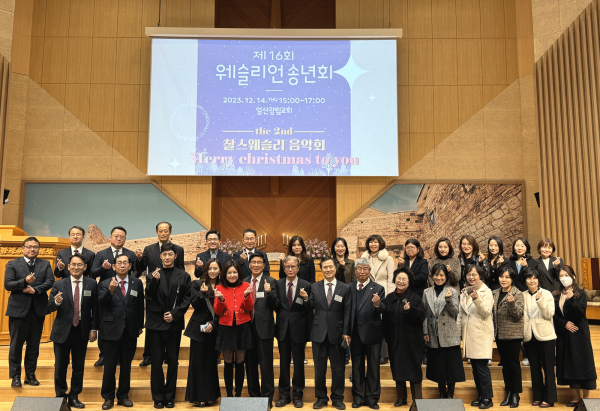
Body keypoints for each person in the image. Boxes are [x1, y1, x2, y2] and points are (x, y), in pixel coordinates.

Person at [48, 254, 99, 409]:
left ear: (85, 267)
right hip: (62, 331)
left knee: (78, 366)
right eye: (73, 265)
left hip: (82, 330)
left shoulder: (91, 284)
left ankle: (74, 396)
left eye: (80, 265)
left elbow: (95, 308)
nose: (76, 267)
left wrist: (94, 328)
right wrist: (56, 302)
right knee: (60, 366)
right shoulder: (59, 284)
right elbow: (49, 306)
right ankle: (61, 397)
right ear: (68, 267)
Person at [145, 243, 192, 409]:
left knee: (173, 360)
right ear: (160, 257)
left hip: (174, 322)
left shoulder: (184, 275)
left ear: (175, 256)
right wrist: (154, 283)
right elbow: (148, 296)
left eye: (170, 255)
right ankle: (157, 397)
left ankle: (170, 396)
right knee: (156, 361)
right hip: (155, 323)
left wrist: (175, 313)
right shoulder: (152, 274)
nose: (166, 258)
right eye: (164, 255)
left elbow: (187, 299)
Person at [5, 236, 54, 388]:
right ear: (23, 248)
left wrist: (36, 289)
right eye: (29, 246)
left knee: (34, 345)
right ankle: (16, 376)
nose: (32, 249)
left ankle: (30, 375)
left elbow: (50, 281)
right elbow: (8, 284)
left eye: (35, 247)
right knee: (16, 345)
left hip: (37, 310)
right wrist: (25, 282)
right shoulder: (13, 263)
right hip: (18, 311)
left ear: (39, 249)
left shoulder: (45, 264)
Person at [98, 254, 145, 410]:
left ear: (130, 266)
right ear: (114, 266)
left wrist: (139, 325)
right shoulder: (105, 283)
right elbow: (101, 304)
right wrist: (110, 291)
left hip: (130, 331)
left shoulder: (137, 283)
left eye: (126, 263)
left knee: (126, 366)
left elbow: (139, 306)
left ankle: (123, 396)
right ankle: (108, 397)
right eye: (119, 263)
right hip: (110, 330)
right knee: (110, 366)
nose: (123, 265)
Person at [135, 221, 185, 367]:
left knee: (171, 326)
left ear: (170, 232)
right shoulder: (148, 249)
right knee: (152, 327)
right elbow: (140, 269)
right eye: (160, 231)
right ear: (157, 232)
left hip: (172, 294)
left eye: (166, 231)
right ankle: (148, 355)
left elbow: (181, 270)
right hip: (154, 293)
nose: (163, 233)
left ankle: (170, 356)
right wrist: (138, 259)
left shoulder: (178, 249)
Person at [309, 257, 352, 410]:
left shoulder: (345, 288)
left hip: (338, 333)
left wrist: (347, 332)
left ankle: (337, 398)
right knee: (319, 369)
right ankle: (321, 397)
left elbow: (347, 312)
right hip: (318, 333)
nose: (328, 270)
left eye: (330, 267)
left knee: (338, 368)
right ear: (321, 269)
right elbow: (310, 307)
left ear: (335, 268)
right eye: (324, 267)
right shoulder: (314, 287)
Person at [91, 226, 138, 366]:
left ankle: (121, 356)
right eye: (116, 236)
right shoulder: (101, 254)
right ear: (110, 237)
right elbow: (93, 273)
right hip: (107, 292)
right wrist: (103, 269)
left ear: (125, 239)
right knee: (104, 322)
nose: (118, 238)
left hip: (125, 292)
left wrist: (128, 280)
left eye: (122, 236)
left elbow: (136, 271)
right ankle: (103, 354)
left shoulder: (131, 254)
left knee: (123, 322)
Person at [553, 265, 597, 406]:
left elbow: (580, 314)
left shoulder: (581, 293)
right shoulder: (556, 294)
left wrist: (571, 300)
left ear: (573, 277)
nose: (564, 278)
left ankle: (587, 399)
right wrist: (563, 324)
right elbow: (554, 316)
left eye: (566, 275)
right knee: (570, 365)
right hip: (564, 334)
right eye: (561, 276)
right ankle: (576, 397)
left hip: (579, 334)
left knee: (582, 364)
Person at [383, 266, 425, 407]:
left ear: (409, 282)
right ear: (395, 280)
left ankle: (417, 400)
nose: (401, 281)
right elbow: (385, 320)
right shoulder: (389, 298)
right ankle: (401, 398)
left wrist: (411, 310)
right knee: (397, 369)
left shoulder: (415, 298)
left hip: (412, 342)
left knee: (414, 370)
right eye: (399, 279)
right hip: (394, 340)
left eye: (404, 279)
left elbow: (422, 316)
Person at [422, 264, 465, 399]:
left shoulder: (452, 291)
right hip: (433, 334)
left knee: (451, 366)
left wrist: (448, 299)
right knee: (438, 366)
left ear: (446, 277)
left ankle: (450, 392)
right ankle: (441, 391)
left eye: (441, 275)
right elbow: (424, 314)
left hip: (449, 334)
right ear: (432, 276)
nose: (438, 278)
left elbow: (455, 312)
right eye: (436, 275)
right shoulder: (426, 292)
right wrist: (425, 332)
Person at [274, 255, 312, 408]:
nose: (290, 269)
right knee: (283, 364)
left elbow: (310, 310)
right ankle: (283, 395)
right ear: (284, 269)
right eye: (287, 267)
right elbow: (276, 306)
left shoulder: (306, 285)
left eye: (293, 266)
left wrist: (306, 298)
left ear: (298, 268)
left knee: (298, 364)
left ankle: (297, 395)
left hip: (299, 330)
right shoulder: (278, 284)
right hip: (282, 329)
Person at [349, 258, 385, 409]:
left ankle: (372, 398)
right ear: (355, 270)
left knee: (373, 367)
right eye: (359, 268)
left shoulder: (378, 288)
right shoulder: (348, 288)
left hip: (372, 333)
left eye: (365, 269)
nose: (362, 271)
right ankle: (358, 396)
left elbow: (382, 309)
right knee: (356, 366)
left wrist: (377, 304)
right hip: (355, 334)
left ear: (369, 271)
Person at [184, 259, 221, 407]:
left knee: (211, 363)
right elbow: (194, 304)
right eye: (210, 268)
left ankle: (210, 395)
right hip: (198, 329)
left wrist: (214, 323)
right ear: (206, 270)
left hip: (215, 328)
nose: (212, 271)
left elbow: (225, 308)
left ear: (219, 270)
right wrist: (201, 293)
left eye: (215, 268)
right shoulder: (198, 284)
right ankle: (198, 396)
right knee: (198, 363)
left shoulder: (222, 286)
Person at [214, 261, 254, 398]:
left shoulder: (246, 286)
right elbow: (218, 311)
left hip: (243, 328)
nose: (232, 275)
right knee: (228, 362)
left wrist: (247, 296)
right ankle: (229, 394)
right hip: (226, 328)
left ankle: (238, 394)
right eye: (229, 272)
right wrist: (220, 299)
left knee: (240, 362)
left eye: (235, 272)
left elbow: (249, 308)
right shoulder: (219, 287)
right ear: (224, 274)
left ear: (239, 273)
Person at [458, 265, 494, 409]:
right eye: (468, 274)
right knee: (475, 367)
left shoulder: (486, 291)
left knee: (482, 368)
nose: (471, 277)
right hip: (469, 334)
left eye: (474, 274)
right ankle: (481, 396)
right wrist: (457, 332)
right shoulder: (465, 292)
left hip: (481, 334)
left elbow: (486, 312)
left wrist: (477, 299)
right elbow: (461, 314)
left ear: (480, 276)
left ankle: (488, 398)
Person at [244, 253, 278, 407]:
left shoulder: (270, 281)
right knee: (250, 364)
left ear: (264, 265)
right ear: (249, 265)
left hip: (264, 328)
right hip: (247, 328)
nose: (256, 265)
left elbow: (277, 305)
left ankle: (267, 397)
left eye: (259, 262)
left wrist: (270, 293)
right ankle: (254, 395)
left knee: (266, 364)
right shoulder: (244, 282)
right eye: (253, 262)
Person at [522, 269, 557, 407]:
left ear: (538, 280)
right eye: (529, 278)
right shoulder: (522, 295)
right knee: (534, 368)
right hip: (529, 336)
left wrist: (540, 300)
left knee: (548, 368)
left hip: (545, 335)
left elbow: (549, 313)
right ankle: (537, 395)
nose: (532, 280)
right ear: (525, 280)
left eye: (534, 278)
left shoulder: (546, 293)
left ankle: (549, 398)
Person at [492, 267, 524, 408]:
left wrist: (511, 304)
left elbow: (518, 314)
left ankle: (516, 394)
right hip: (499, 334)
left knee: (514, 365)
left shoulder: (518, 294)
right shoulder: (494, 293)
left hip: (513, 334)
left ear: (512, 279)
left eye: (507, 277)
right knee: (505, 365)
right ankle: (508, 392)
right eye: (501, 276)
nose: (503, 279)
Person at [361, 234, 394, 365]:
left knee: (383, 323)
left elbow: (391, 279)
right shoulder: (364, 258)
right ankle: (369, 352)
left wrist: (389, 297)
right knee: (370, 322)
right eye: (371, 242)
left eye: (375, 242)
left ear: (380, 243)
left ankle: (384, 354)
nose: (373, 244)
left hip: (384, 292)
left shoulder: (388, 258)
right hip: (367, 293)